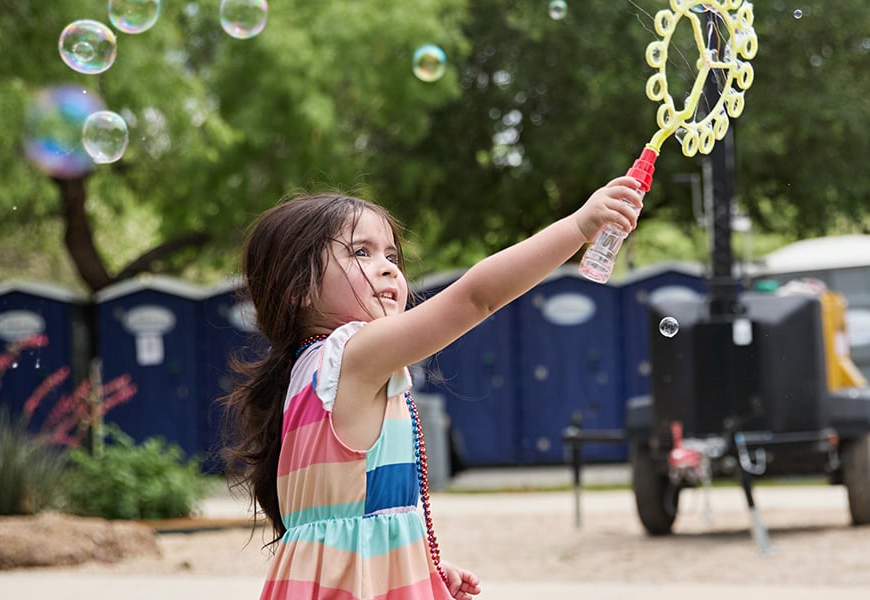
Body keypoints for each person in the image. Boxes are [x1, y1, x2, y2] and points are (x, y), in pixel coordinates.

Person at [221, 177, 642, 600]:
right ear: (298, 289)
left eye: (391, 254)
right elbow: (477, 297)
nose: (388, 267)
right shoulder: (350, 356)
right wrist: (579, 227)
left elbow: (359, 520)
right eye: (360, 252)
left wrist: (418, 567)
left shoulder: (312, 370)